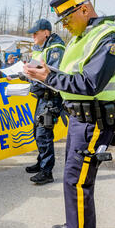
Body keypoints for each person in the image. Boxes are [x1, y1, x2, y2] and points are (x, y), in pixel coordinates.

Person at [23, 0, 115, 228]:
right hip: (80, 118)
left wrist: (49, 75)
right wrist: (47, 75)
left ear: (85, 9)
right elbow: (73, 77)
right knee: (72, 178)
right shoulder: (83, 37)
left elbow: (89, 83)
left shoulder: (111, 38)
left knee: (78, 181)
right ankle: (76, 226)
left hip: (94, 120)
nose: (64, 26)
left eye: (67, 19)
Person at [24, 19, 66, 185]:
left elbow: (53, 75)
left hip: (51, 97)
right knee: (37, 131)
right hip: (42, 97)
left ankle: (46, 171)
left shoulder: (56, 49)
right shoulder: (40, 48)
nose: (33, 35)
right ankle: (41, 162)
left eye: (36, 32)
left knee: (44, 133)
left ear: (46, 32)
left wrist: (34, 74)